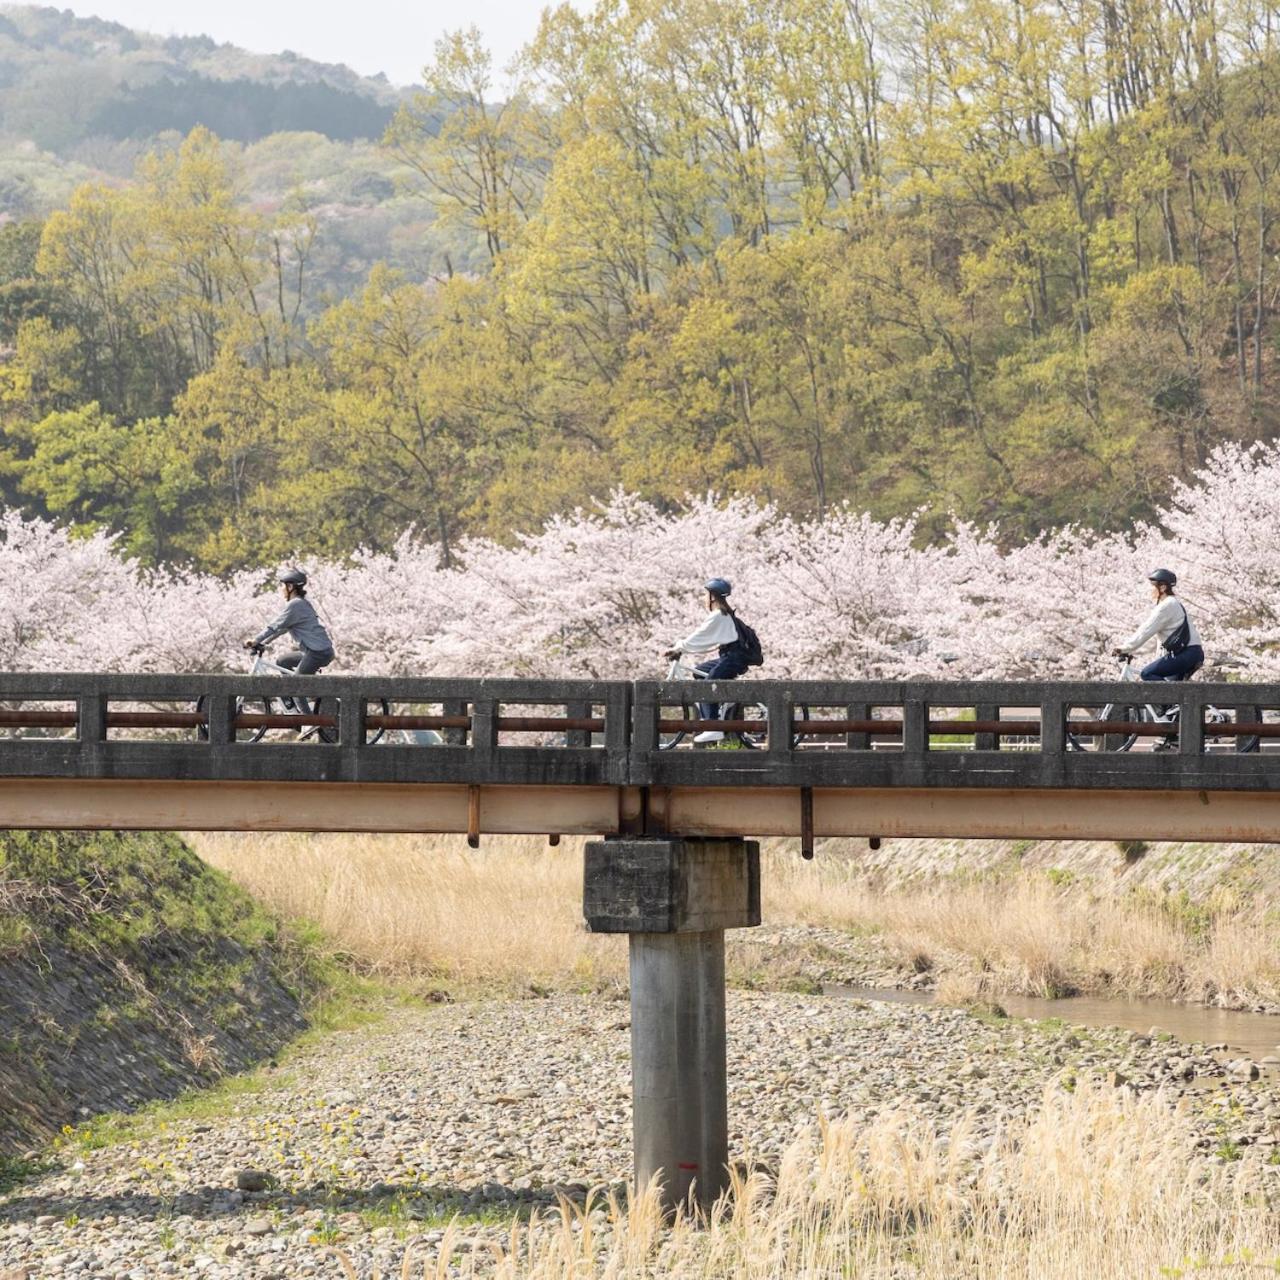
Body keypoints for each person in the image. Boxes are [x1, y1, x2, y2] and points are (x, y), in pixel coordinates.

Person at [664, 577, 749, 743]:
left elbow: (700, 635)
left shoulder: (718, 615)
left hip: (733, 658)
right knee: (700, 672)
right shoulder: (724, 614)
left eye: (706, 594)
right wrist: (682, 647)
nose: (704, 598)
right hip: (730, 657)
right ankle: (723, 703)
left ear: (712, 596)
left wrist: (679, 647)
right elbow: (707, 640)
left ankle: (713, 727)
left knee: (707, 685)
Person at [1113, 568, 1204, 683]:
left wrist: (1124, 648)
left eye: (1153, 586)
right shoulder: (1172, 604)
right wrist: (1132, 651)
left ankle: (1169, 699)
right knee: (1171, 686)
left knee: (1147, 673)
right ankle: (1176, 701)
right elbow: (1154, 640)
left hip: (1186, 653)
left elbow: (1146, 630)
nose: (1151, 590)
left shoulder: (1167, 605)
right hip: (1191, 653)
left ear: (1163, 587)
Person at [246, 568, 336, 674]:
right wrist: (263, 643)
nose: (282, 589)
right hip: (313, 651)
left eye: (283, 586)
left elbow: (275, 626)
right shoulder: (300, 603)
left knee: (297, 683)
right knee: (283, 661)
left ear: (290, 587)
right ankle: (288, 689)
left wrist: (256, 640)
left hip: (318, 652)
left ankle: (294, 690)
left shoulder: (296, 604)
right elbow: (282, 628)